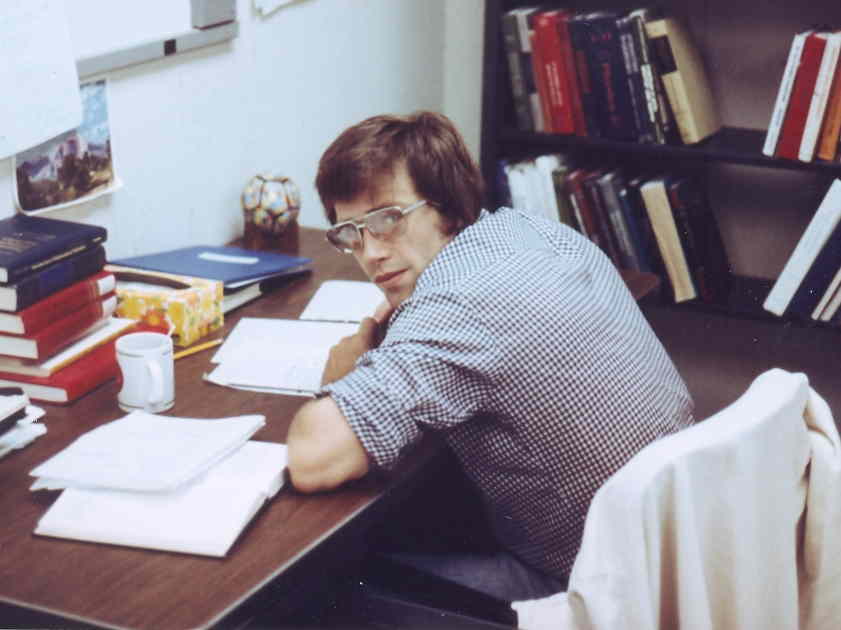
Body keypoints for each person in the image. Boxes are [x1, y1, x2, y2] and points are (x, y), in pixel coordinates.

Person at [286, 111, 694, 602]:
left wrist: (343, 372)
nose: (370, 254)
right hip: (683, 542)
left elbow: (313, 459)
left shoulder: (455, 308)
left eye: (388, 220)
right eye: (351, 233)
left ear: (444, 206)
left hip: (597, 589)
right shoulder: (530, 230)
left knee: (332, 575)